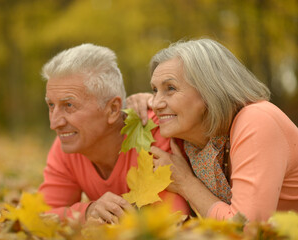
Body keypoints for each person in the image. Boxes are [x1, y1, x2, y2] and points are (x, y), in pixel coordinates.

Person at [127, 38, 298, 221]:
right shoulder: (192, 140)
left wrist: (186, 183)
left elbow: (247, 228)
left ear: (210, 90)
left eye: (170, 88)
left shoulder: (257, 121)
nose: (156, 103)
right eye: (154, 90)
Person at [38, 43, 190, 224]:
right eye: (51, 106)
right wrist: (87, 212)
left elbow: (174, 221)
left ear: (113, 109)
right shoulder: (68, 142)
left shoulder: (156, 134)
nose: (55, 123)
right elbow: (41, 216)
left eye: (69, 106)